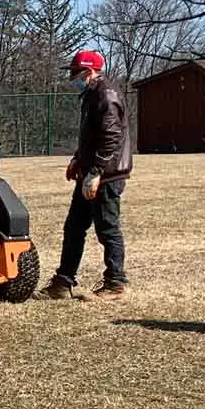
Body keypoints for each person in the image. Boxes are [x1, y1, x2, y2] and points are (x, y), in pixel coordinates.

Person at [44, 50, 131, 301]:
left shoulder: (107, 95)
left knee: (107, 228)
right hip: (90, 171)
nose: (72, 77)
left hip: (106, 174)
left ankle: (116, 283)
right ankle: (63, 281)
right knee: (74, 227)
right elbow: (92, 136)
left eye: (75, 73)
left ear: (89, 72)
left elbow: (110, 138)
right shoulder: (92, 94)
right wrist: (77, 160)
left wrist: (96, 171)